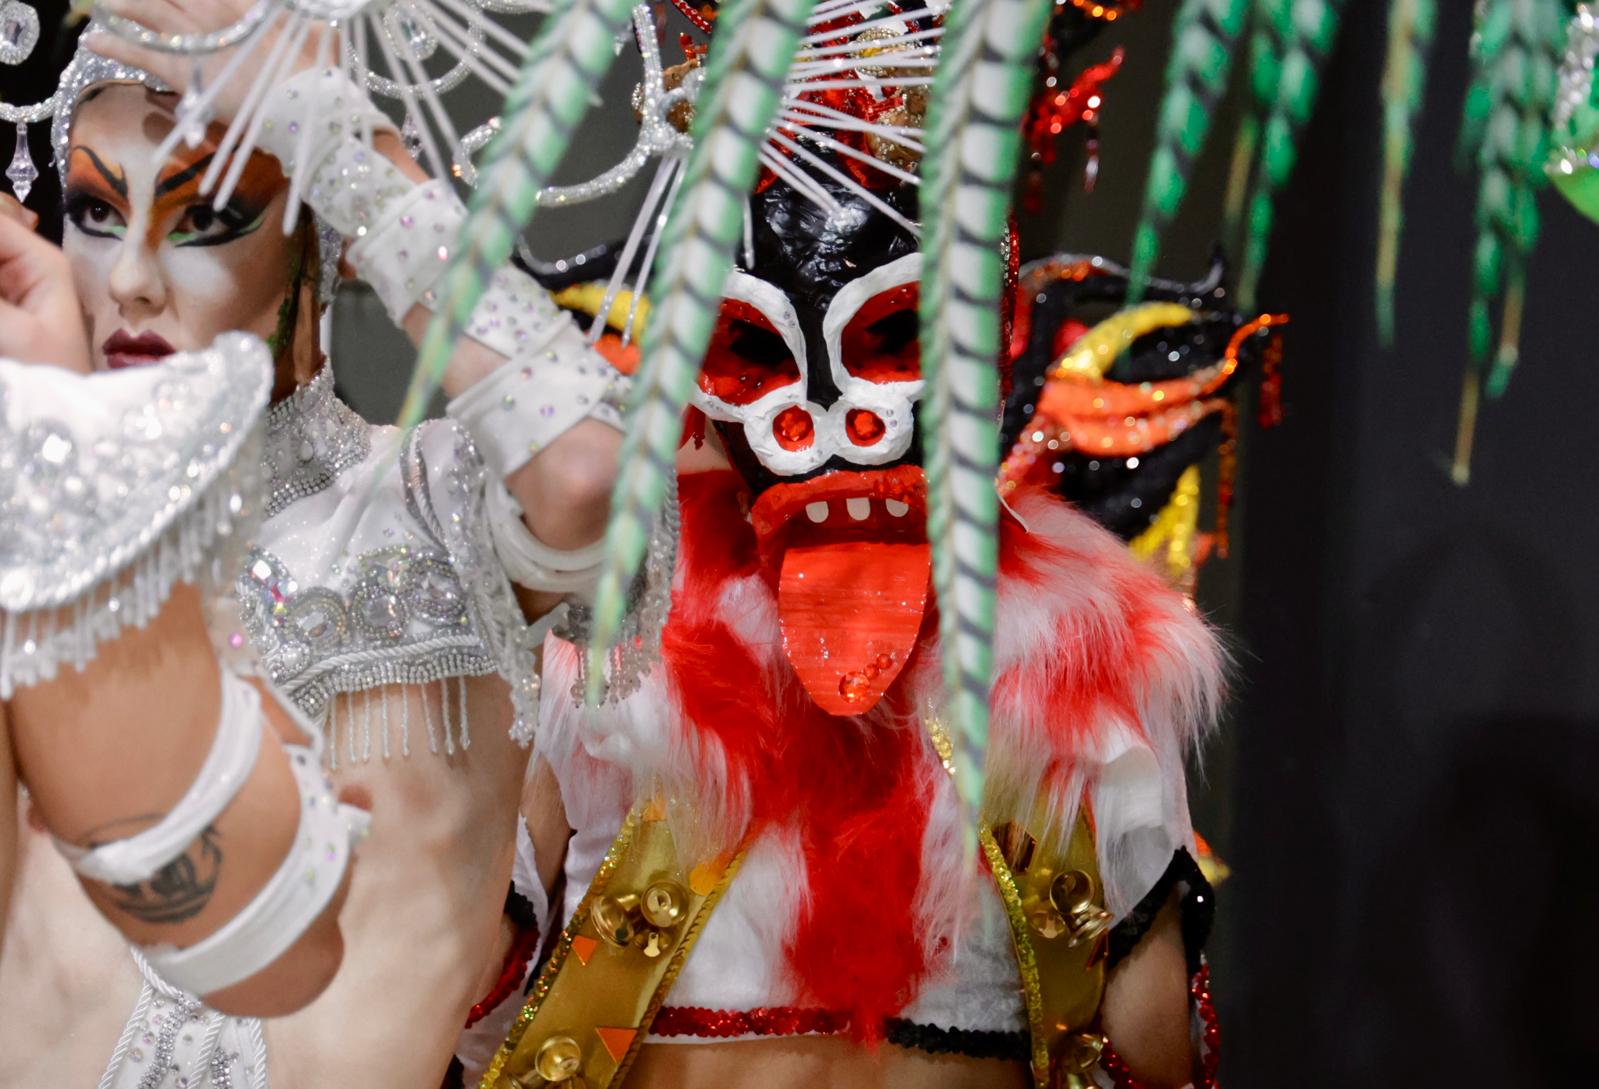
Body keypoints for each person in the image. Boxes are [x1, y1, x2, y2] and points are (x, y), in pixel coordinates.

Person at [0, 7, 624, 1086]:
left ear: (324, 245)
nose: (137, 279)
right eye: (98, 213)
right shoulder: (24, 557)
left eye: (208, 216)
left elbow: (581, 469)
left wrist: (345, 149)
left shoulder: (436, 504)